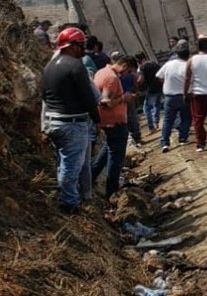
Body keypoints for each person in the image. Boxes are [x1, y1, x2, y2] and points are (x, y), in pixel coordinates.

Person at [41, 27, 100, 213]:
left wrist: (44, 125)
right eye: (81, 45)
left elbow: (43, 95)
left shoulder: (49, 66)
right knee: (72, 166)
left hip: (53, 121)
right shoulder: (76, 66)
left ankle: (72, 197)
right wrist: (96, 119)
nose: (83, 49)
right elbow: (87, 97)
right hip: (71, 124)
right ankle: (69, 204)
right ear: (72, 46)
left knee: (65, 162)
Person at [92, 54, 137, 198]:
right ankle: (112, 193)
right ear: (124, 66)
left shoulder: (101, 72)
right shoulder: (111, 78)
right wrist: (124, 98)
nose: (127, 74)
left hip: (107, 122)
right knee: (116, 159)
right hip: (114, 123)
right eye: (128, 71)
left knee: (107, 151)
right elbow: (106, 102)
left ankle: (91, 176)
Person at [156, 42, 192, 152]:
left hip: (169, 97)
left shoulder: (169, 64)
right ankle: (182, 138)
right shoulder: (189, 66)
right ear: (188, 55)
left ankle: (165, 143)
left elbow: (158, 76)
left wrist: (166, 83)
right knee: (186, 118)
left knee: (168, 120)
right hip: (184, 96)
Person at [138, 53, 163, 131]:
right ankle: (156, 122)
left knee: (147, 108)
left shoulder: (143, 67)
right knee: (157, 105)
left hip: (151, 89)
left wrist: (136, 84)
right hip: (159, 87)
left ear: (139, 60)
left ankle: (151, 125)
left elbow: (141, 80)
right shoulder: (154, 64)